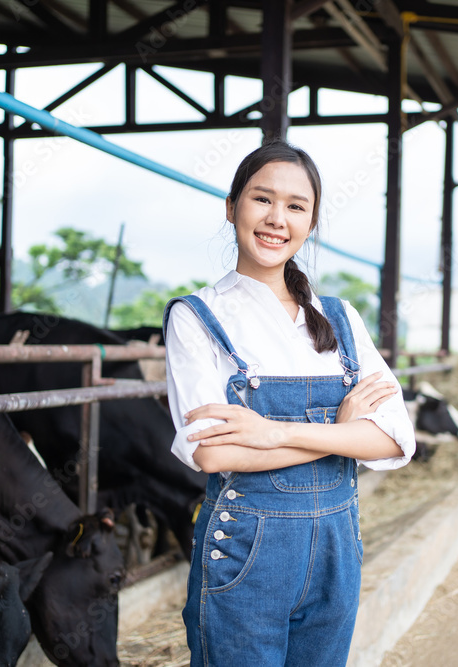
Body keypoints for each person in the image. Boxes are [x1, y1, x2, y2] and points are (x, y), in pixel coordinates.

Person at [162, 141, 416, 666]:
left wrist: (273, 432)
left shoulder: (341, 318)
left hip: (336, 554)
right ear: (231, 207)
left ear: (311, 221)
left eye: (296, 206)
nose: (277, 219)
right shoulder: (196, 316)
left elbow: (394, 438)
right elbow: (213, 454)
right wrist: (340, 434)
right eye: (262, 199)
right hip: (245, 556)